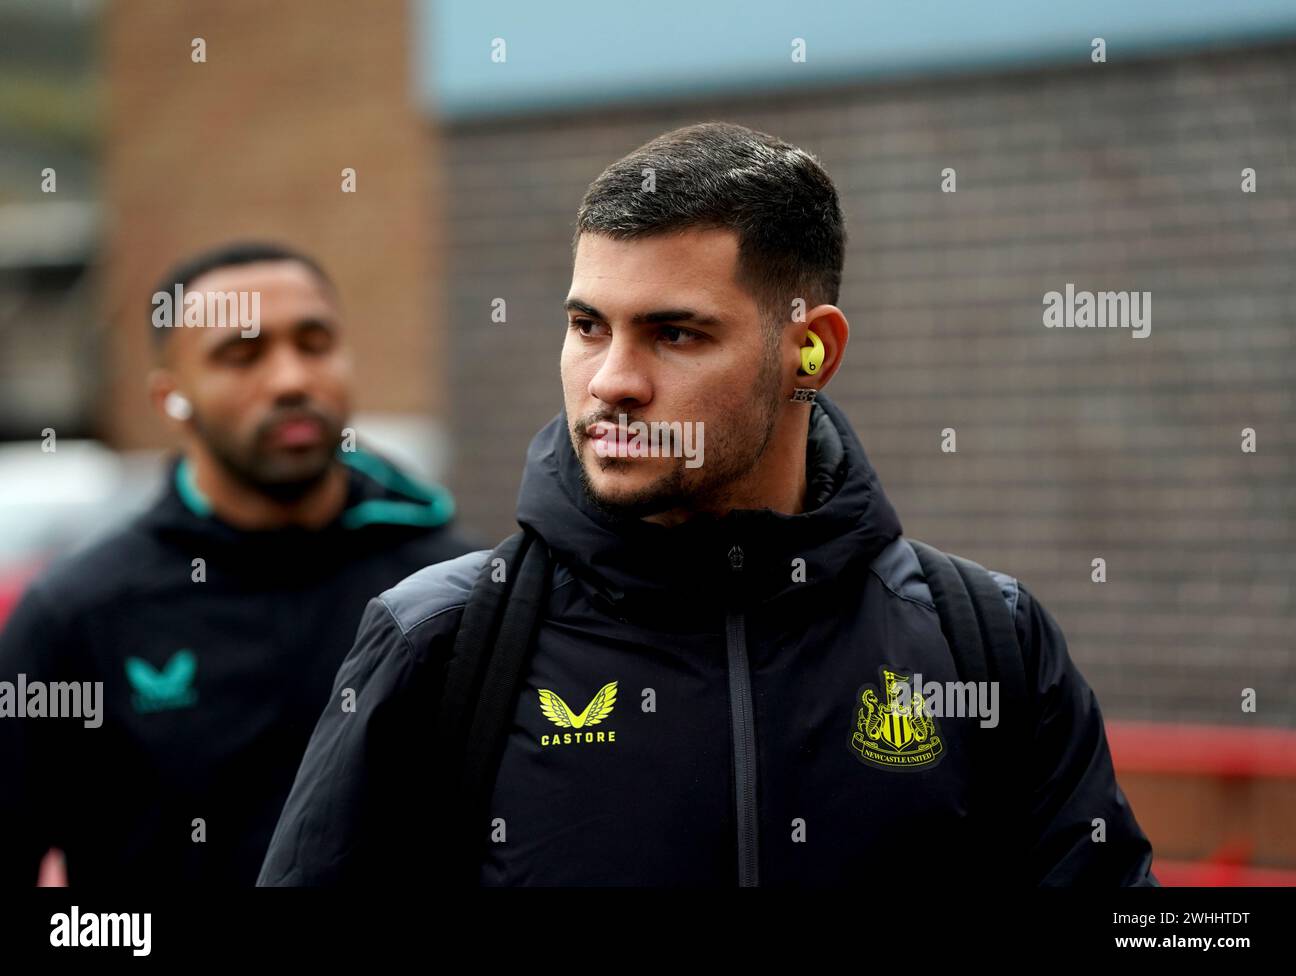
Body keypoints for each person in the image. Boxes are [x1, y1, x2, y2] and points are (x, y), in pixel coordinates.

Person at [258, 124, 1158, 886]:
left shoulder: (986, 638)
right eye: (587, 327)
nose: (611, 382)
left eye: (674, 333)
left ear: (809, 353)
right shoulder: (443, 642)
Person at [0, 241, 478, 884]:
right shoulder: (78, 615)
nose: (291, 380)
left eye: (314, 343)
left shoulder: (446, 591)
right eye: (242, 354)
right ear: (170, 396)